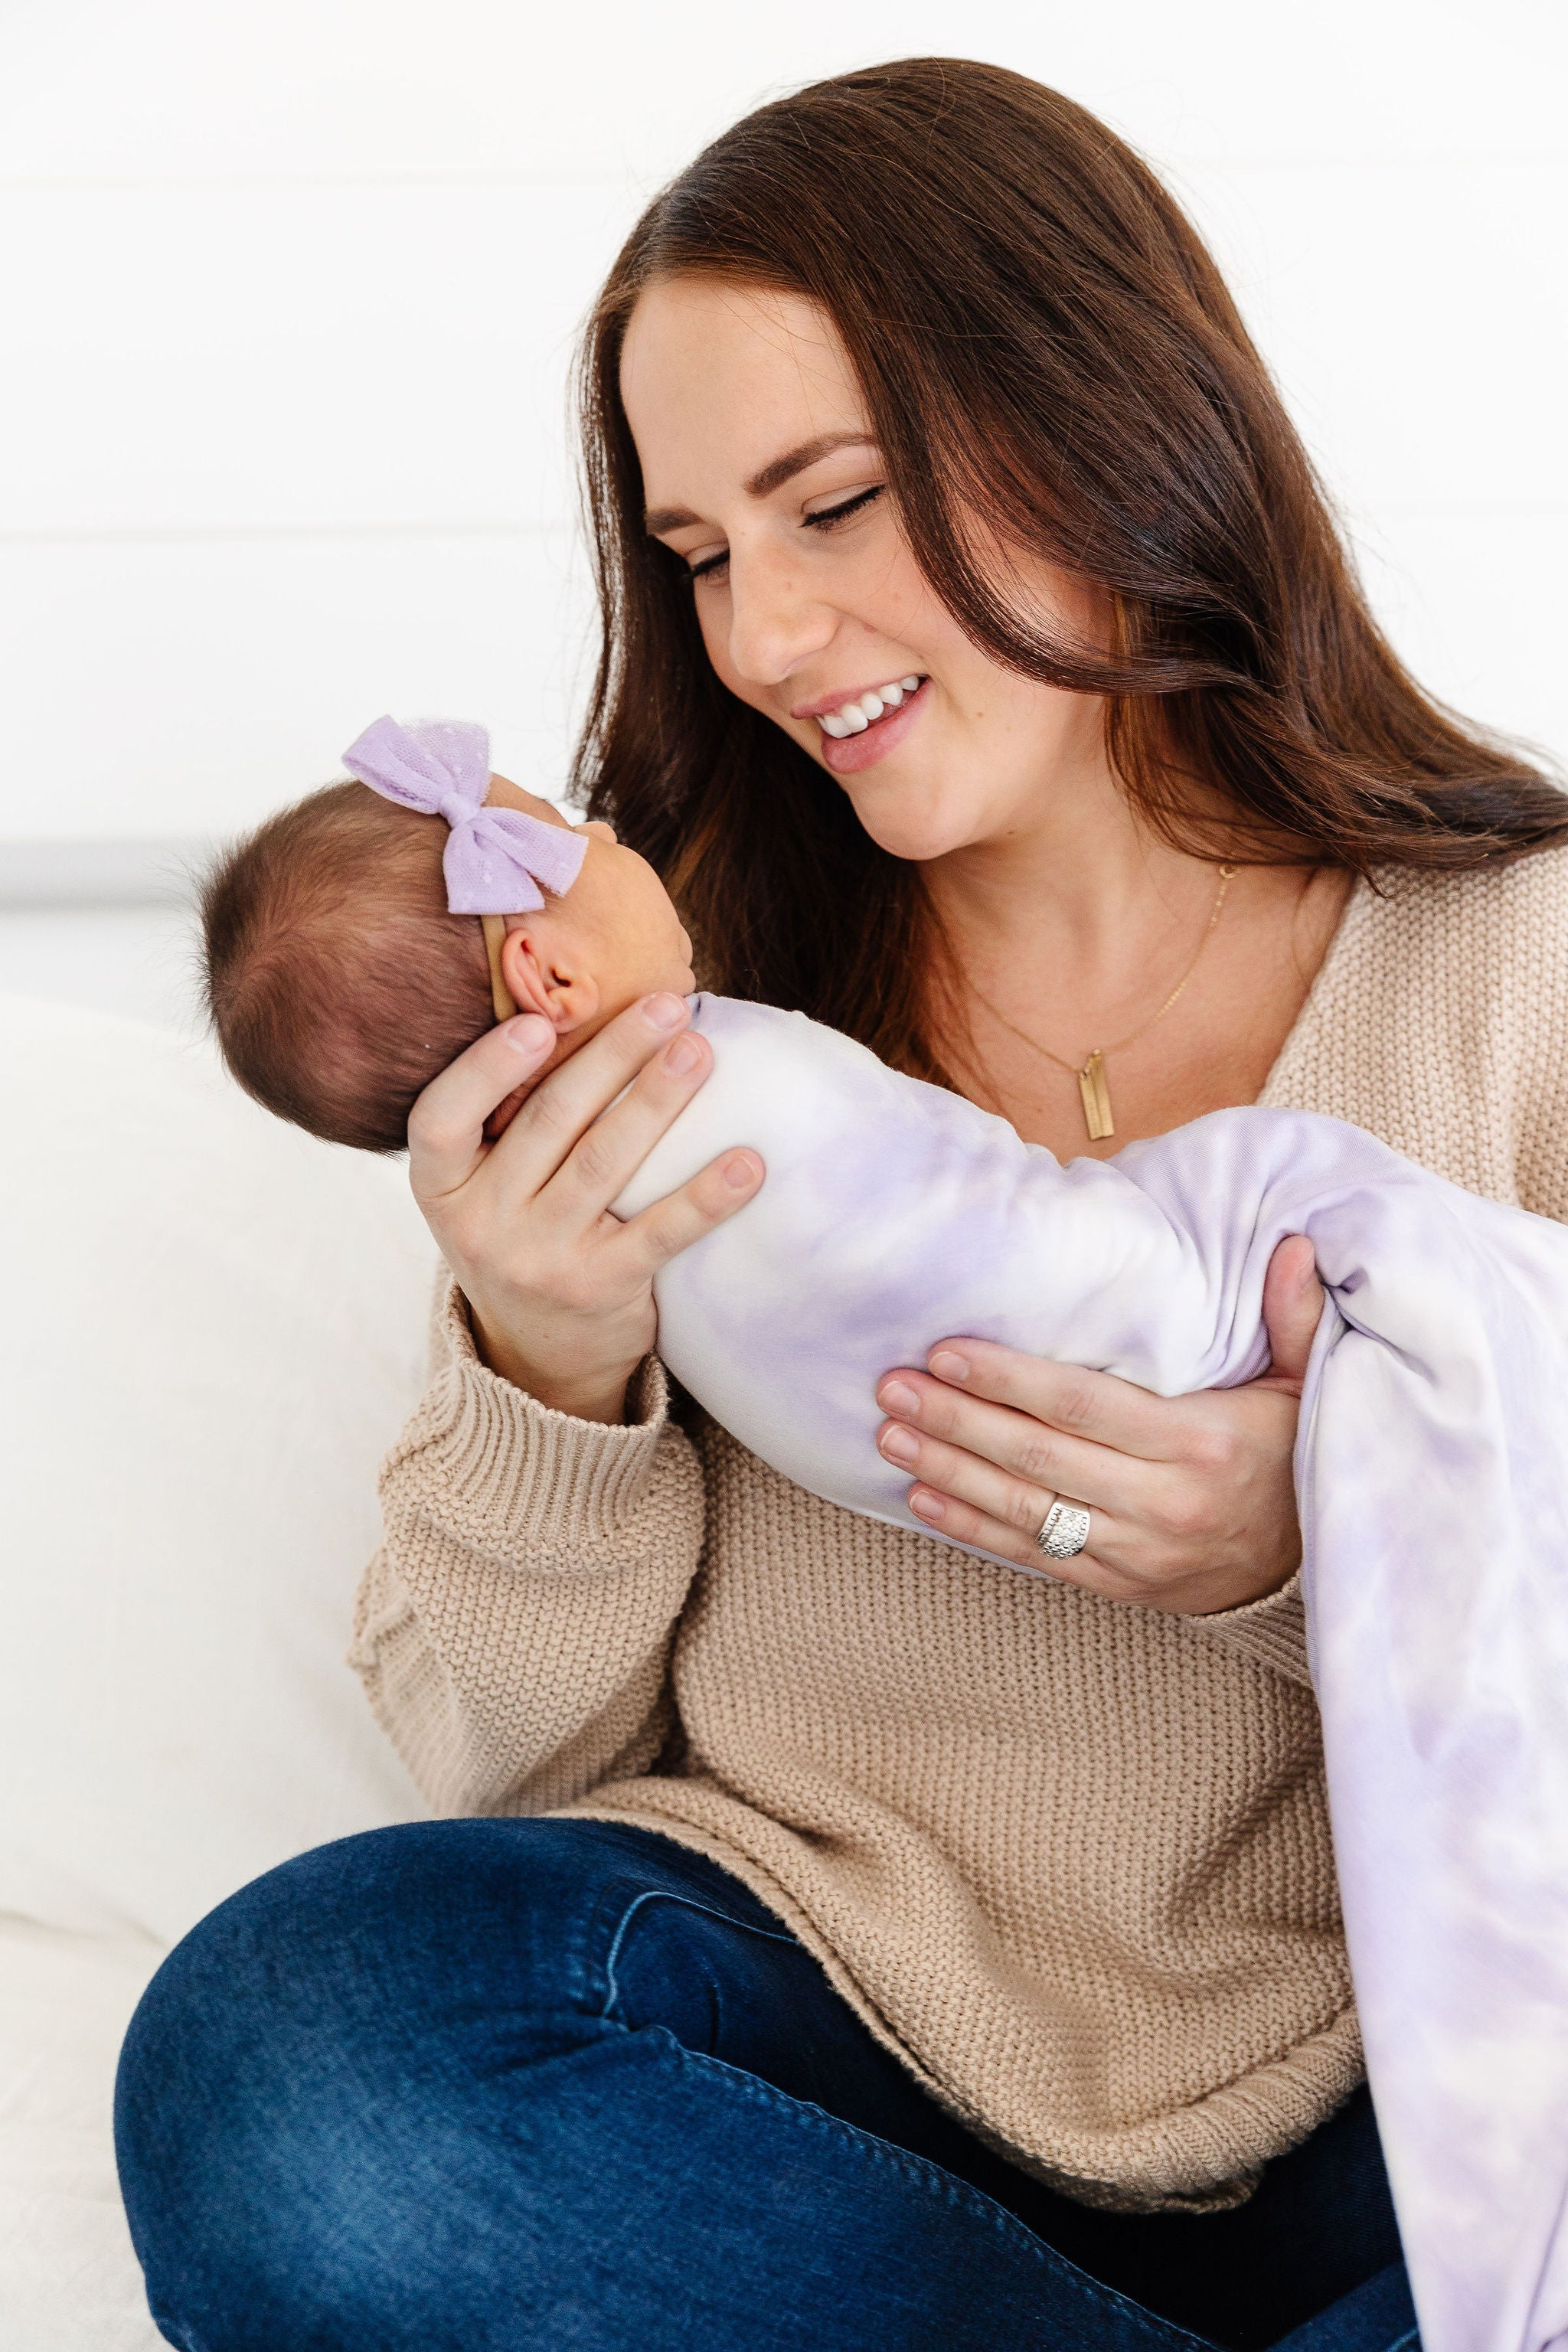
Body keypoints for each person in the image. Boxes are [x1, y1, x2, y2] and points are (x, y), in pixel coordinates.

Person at [114, 57, 1568, 2352]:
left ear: (1108, 410)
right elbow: (509, 1765)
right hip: (808, 2076)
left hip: (1407, 2084)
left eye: (835, 504)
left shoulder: (1522, 951)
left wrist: (1322, 1530)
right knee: (287, 2054)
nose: (768, 639)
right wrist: (552, 1368)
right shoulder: (649, 1004)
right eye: (699, 556)